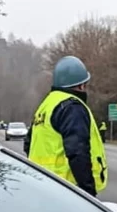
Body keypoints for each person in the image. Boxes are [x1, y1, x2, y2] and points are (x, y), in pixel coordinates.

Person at [25, 55, 108, 197]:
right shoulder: (72, 107)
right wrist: (87, 192)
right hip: (67, 188)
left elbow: (28, 145)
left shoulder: (46, 105)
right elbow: (78, 152)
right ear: (81, 85)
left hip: (42, 186)